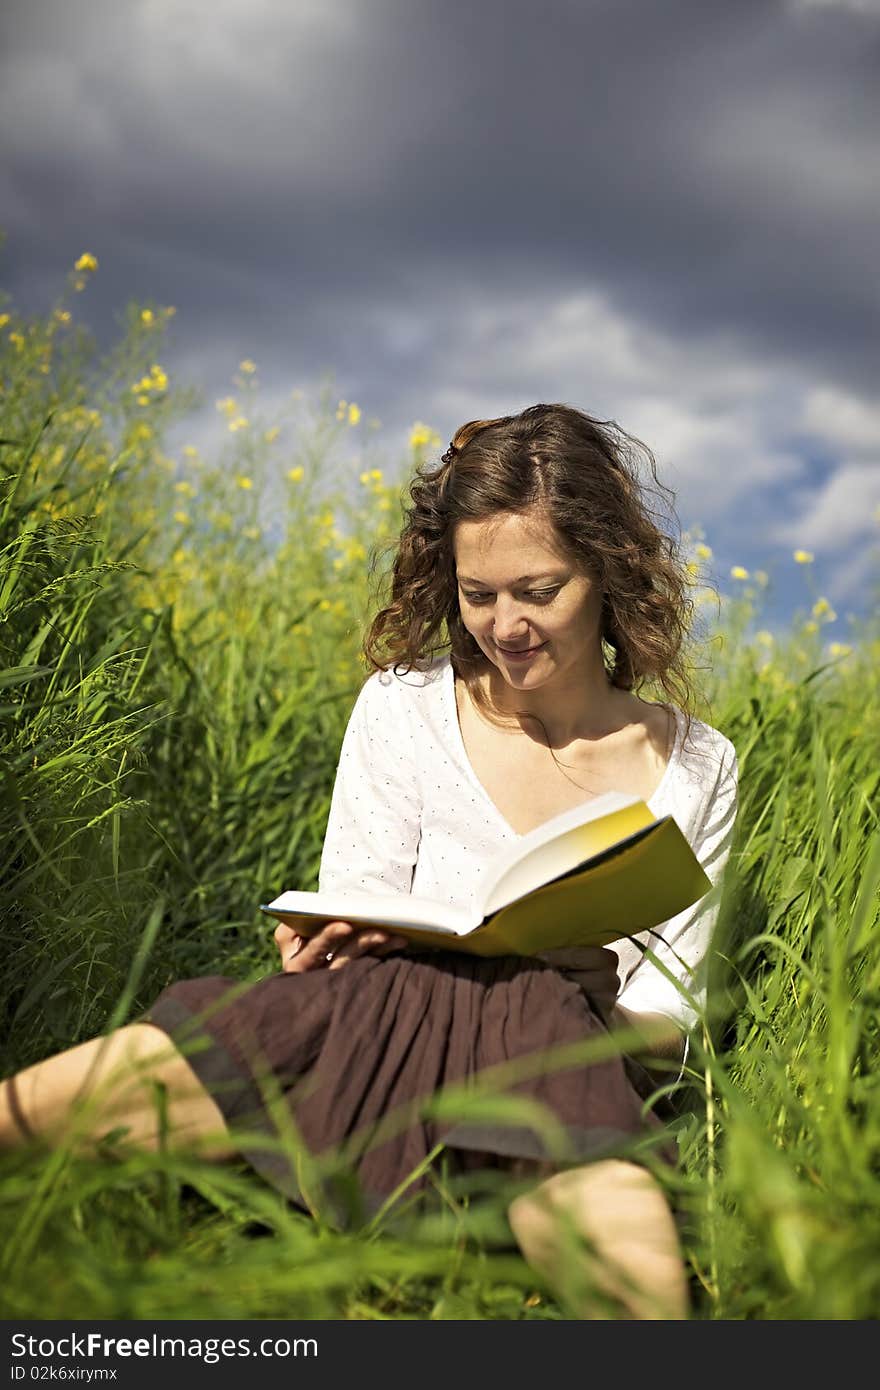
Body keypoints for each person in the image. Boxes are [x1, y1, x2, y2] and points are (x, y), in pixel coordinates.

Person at [0, 403, 738, 1319]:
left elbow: (675, 1014)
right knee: (89, 1091)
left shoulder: (699, 761)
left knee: (541, 1024)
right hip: (378, 1007)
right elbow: (357, 904)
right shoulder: (404, 705)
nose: (503, 626)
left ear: (607, 571)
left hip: (555, 1043)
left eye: (538, 591)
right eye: (478, 594)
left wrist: (592, 995)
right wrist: (328, 937)